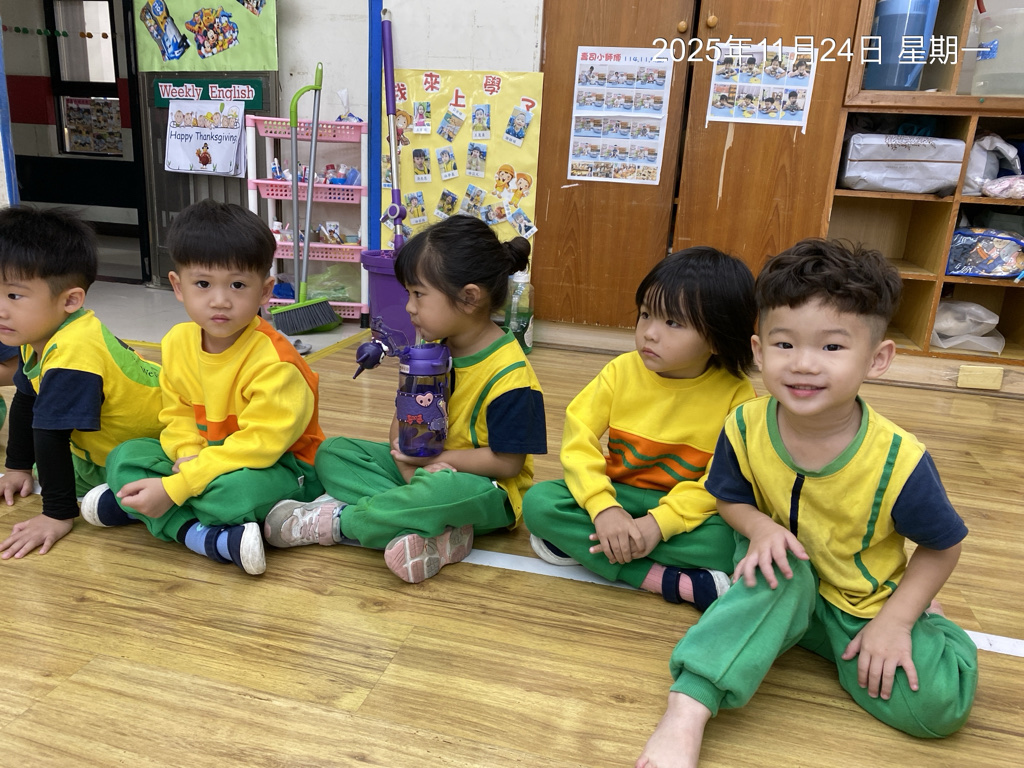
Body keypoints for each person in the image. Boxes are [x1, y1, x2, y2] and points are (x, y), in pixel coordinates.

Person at [636, 240, 977, 768]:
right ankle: (688, 707)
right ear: (758, 350)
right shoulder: (744, 423)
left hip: (855, 603)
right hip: (773, 569)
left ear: (878, 359)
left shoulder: (900, 460)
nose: (802, 364)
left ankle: (911, 621)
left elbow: (942, 546)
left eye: (832, 347)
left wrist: (897, 620)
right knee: (783, 569)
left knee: (938, 706)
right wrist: (760, 529)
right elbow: (728, 496)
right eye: (784, 344)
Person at [264, 216, 547, 584]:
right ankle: (433, 528)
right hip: (422, 469)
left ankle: (340, 522)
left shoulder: (511, 376)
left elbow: (508, 464)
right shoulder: (433, 349)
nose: (410, 307)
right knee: (333, 452)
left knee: (444, 489)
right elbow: (402, 425)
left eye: (418, 294)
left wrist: (436, 462)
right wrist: (405, 452)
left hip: (485, 489)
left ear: (469, 297)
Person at [88, 200, 326, 576]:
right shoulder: (177, 342)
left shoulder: (276, 363)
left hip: (280, 465)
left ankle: (152, 512)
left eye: (237, 285)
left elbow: (260, 446)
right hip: (205, 456)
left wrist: (180, 485)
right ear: (177, 286)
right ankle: (201, 532)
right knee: (125, 455)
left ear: (265, 291)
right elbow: (177, 413)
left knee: (234, 494)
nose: (220, 300)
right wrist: (188, 454)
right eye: (202, 284)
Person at [522, 248, 756, 610]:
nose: (649, 333)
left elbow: (721, 481)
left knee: (733, 543)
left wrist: (659, 524)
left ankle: (588, 547)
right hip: (620, 493)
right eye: (646, 314)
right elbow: (579, 439)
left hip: (684, 509)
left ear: (716, 338)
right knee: (539, 503)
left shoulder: (737, 395)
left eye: (673, 323)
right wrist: (603, 508)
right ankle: (665, 579)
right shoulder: (621, 371)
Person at [0, 206, 163, 559]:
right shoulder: (35, 334)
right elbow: (27, 400)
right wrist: (17, 467)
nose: (1, 308)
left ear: (70, 300)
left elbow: (50, 432)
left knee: (127, 469)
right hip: (104, 446)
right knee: (47, 467)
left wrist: (56, 514)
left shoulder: (74, 351)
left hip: (161, 443)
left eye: (14, 295)